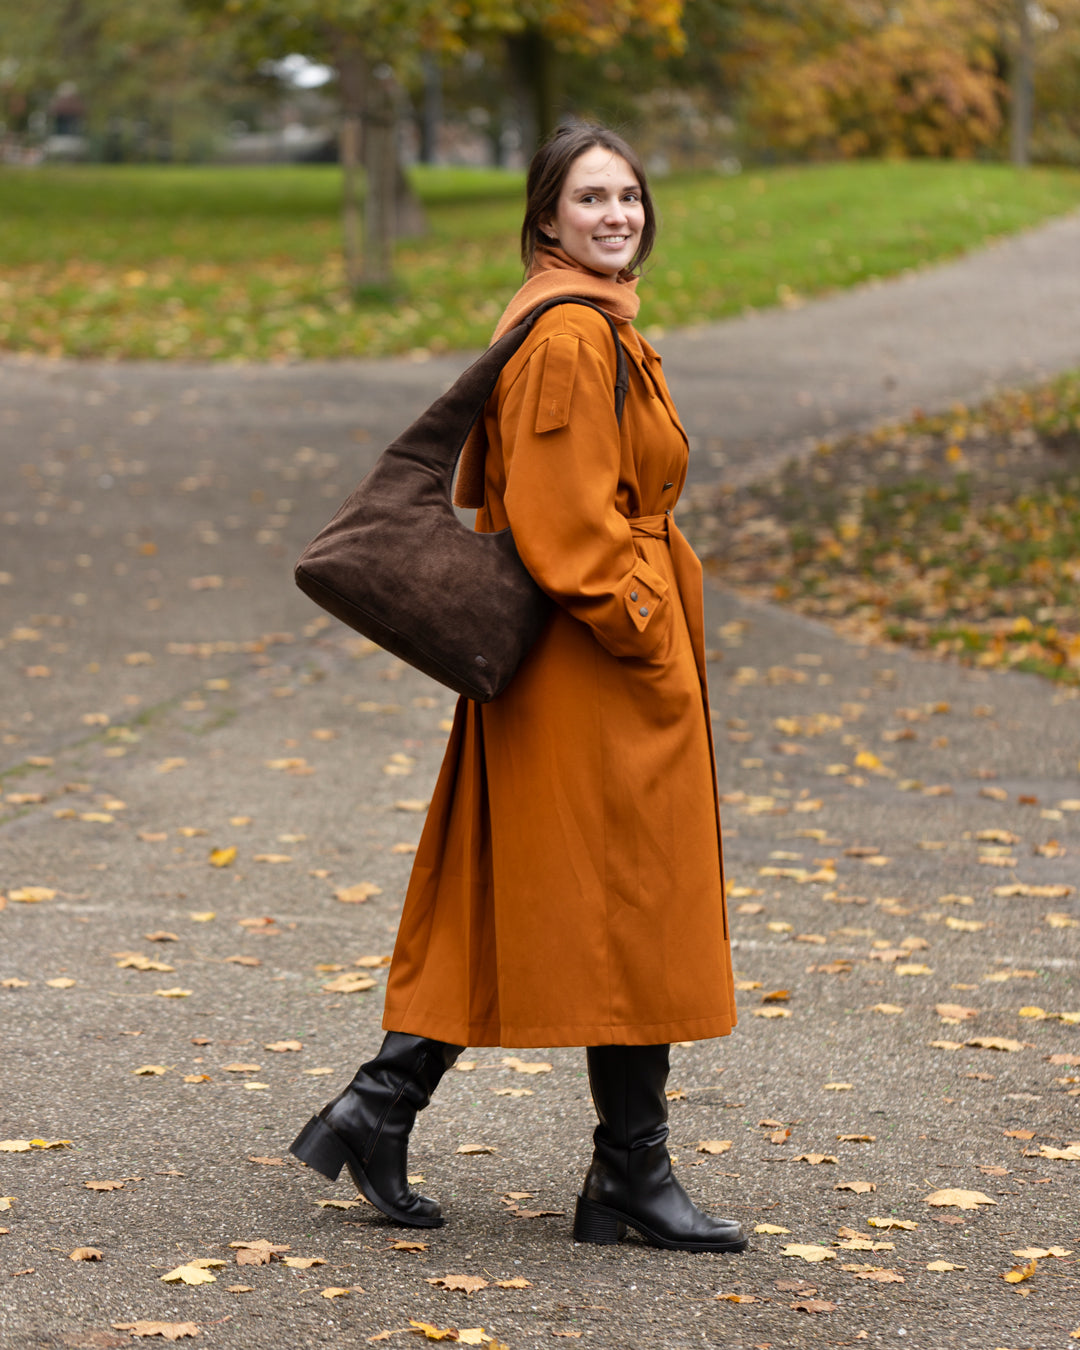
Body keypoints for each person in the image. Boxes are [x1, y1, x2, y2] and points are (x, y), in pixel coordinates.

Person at [290, 122, 746, 1255]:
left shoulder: (592, 321)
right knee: (629, 903)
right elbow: (562, 523)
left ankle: (387, 1110)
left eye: (630, 196)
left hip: (597, 663)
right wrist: (645, 625)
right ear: (546, 218)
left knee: (550, 895)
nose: (618, 216)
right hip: (595, 666)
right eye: (592, 199)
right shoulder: (571, 340)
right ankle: (624, 1175)